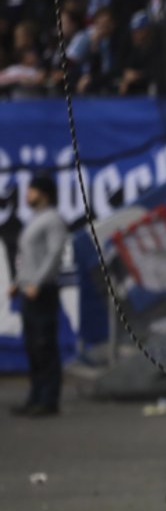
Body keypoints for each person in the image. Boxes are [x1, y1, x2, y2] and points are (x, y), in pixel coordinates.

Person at [9, 174, 68, 417]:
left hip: (42, 292)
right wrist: (18, 282)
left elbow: (54, 255)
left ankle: (48, 399)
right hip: (28, 291)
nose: (27, 195)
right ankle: (35, 397)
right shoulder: (34, 220)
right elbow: (28, 260)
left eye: (31, 190)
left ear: (43, 193)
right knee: (33, 347)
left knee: (45, 346)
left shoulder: (53, 220)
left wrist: (38, 283)